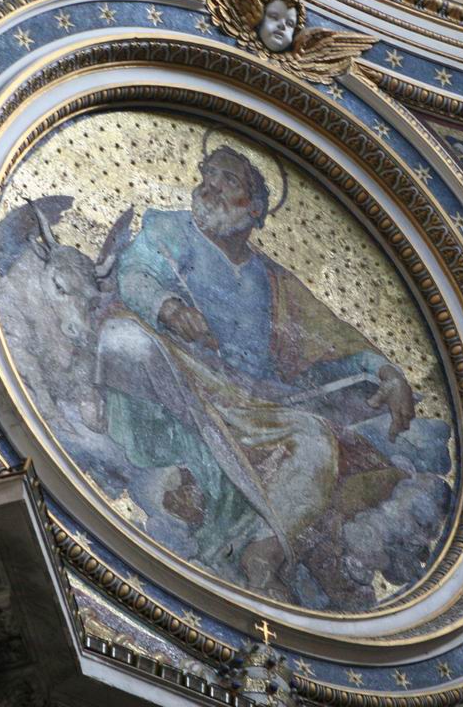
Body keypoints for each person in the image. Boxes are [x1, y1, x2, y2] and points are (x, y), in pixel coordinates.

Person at [94, 145, 417, 599]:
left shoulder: (273, 282)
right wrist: (168, 307)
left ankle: (262, 554)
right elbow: (136, 272)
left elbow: (334, 339)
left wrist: (387, 372)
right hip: (180, 375)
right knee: (122, 340)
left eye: (229, 180)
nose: (211, 185)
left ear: (256, 208)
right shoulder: (169, 230)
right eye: (209, 173)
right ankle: (146, 465)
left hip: (250, 405)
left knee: (315, 441)